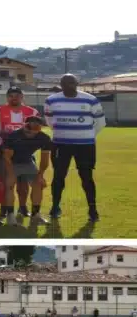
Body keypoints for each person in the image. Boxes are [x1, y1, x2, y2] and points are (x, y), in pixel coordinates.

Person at [44, 74, 106, 222]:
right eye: (65, 83)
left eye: (71, 82)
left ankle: (92, 210)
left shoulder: (90, 99)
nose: (68, 86)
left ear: (77, 83)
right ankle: (55, 207)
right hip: (60, 144)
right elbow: (50, 121)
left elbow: (100, 122)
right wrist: (64, 133)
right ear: (60, 84)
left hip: (85, 146)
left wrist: (87, 135)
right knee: (58, 176)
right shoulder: (51, 100)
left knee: (87, 177)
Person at [0, 116, 53, 225]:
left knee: (38, 184)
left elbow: (45, 160)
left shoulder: (44, 138)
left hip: (26, 161)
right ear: (23, 125)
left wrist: (40, 175)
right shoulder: (13, 136)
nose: (30, 131)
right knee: (9, 185)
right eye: (28, 127)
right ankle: (10, 216)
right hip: (8, 161)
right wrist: (11, 174)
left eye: (35, 128)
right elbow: (7, 157)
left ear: (40, 128)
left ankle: (36, 215)